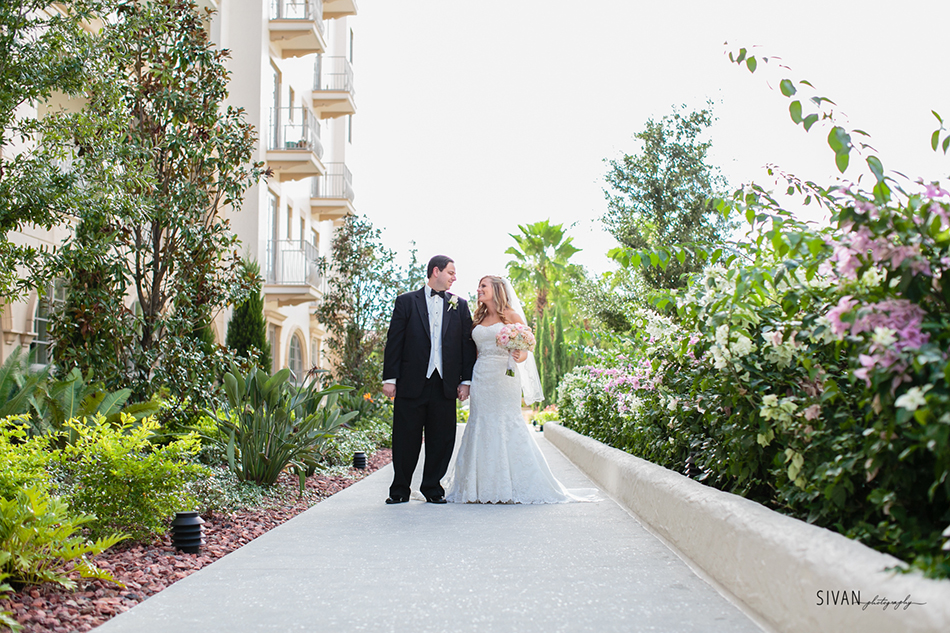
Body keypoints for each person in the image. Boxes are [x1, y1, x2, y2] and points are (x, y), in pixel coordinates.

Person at [443, 276, 597, 504]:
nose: (478, 290)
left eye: (483, 286)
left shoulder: (512, 315)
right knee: (480, 422)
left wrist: (519, 354)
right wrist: (466, 380)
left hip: (505, 377)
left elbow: (526, 348)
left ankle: (510, 485)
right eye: (478, 286)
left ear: (496, 289)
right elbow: (473, 352)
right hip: (482, 376)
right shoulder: (479, 317)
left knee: (506, 422)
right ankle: (477, 488)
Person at [381, 255, 477, 504]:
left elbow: (467, 347)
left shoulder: (460, 305)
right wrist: (390, 378)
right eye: (451, 272)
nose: (454, 278)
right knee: (405, 438)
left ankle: (432, 488)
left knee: (442, 439)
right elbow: (395, 342)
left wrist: (465, 381)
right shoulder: (405, 302)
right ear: (436, 271)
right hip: (411, 382)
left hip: (444, 384)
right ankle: (400, 490)